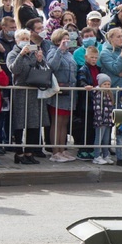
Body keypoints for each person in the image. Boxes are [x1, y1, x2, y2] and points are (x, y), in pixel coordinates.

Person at [7, 25, 50, 164]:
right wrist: (21, 54)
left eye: (27, 38)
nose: (26, 41)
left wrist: (40, 59)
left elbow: (42, 69)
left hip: (33, 91)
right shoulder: (13, 53)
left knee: (33, 124)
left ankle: (29, 152)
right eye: (23, 39)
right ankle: (19, 153)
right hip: (20, 91)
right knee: (19, 123)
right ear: (17, 40)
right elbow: (14, 69)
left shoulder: (33, 52)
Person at [45, 28, 77, 163]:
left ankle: (62, 149)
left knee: (64, 123)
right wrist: (60, 50)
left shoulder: (69, 54)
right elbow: (52, 66)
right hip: (59, 92)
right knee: (57, 122)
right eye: (64, 39)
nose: (67, 41)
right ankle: (55, 151)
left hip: (69, 93)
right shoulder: (53, 51)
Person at [91, 74, 115, 165]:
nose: (107, 86)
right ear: (100, 85)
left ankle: (106, 155)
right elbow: (97, 108)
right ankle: (96, 156)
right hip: (100, 120)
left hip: (108, 120)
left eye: (108, 84)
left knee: (106, 139)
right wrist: (99, 119)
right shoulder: (98, 93)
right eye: (105, 84)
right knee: (99, 139)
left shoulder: (109, 94)